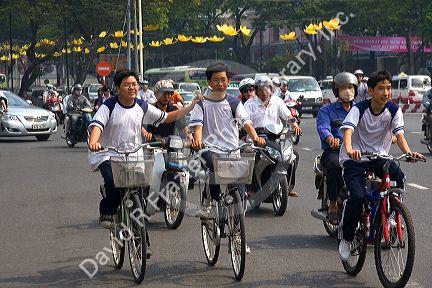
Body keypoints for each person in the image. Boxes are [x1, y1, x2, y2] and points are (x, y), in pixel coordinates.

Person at [88, 69, 201, 228]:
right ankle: (107, 210)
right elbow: (97, 125)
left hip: (135, 154)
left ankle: (142, 243)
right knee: (112, 183)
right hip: (109, 153)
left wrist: (191, 106)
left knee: (140, 198)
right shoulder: (109, 106)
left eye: (134, 84)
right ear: (118, 87)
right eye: (127, 85)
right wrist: (94, 142)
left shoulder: (142, 105)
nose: (132, 88)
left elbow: (167, 118)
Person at [338, 71, 425, 261]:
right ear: (370, 91)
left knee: (397, 176)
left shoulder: (393, 110)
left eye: (388, 88)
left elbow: (399, 136)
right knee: (358, 196)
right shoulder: (359, 109)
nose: (386, 93)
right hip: (355, 158)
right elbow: (348, 131)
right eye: (381, 89)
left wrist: (409, 153)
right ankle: (346, 238)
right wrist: (350, 149)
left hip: (379, 156)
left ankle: (393, 213)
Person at [189, 63, 265, 215]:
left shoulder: (234, 103)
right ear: (209, 82)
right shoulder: (201, 104)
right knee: (213, 165)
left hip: (232, 150)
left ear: (228, 81)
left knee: (240, 185)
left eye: (223, 79)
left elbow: (246, 123)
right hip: (209, 149)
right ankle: (210, 200)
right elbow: (198, 127)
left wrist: (256, 138)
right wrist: (197, 141)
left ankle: (237, 228)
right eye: (216, 80)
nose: (220, 83)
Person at [244, 75, 301, 197]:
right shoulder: (249, 104)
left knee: (294, 155)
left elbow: (288, 116)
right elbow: (245, 123)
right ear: (256, 90)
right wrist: (254, 137)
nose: (263, 92)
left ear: (271, 89)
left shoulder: (277, 101)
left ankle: (288, 187)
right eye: (260, 89)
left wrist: (295, 125)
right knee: (249, 154)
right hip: (256, 138)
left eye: (266, 89)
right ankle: (251, 188)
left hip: (276, 137)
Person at [316, 72, 357, 224]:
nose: (348, 91)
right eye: (344, 88)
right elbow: (323, 127)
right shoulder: (326, 110)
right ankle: (333, 205)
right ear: (336, 90)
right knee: (334, 166)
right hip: (334, 151)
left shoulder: (359, 109)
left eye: (351, 87)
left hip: (356, 151)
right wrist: (330, 138)